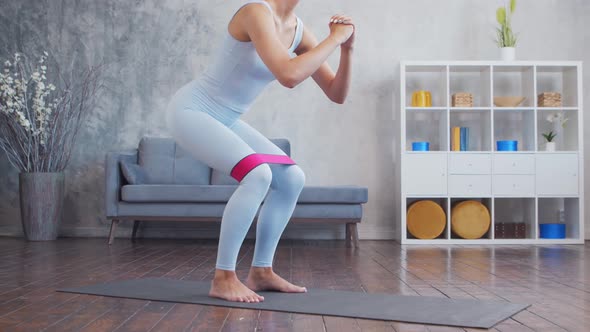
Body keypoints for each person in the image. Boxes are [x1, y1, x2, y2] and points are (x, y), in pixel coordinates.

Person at [165, 0, 354, 303]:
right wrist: (334, 39)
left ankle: (261, 272)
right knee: (257, 175)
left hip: (226, 119)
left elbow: (336, 93)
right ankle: (223, 277)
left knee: (291, 178)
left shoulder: (299, 32)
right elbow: (288, 75)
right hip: (192, 112)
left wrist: (347, 49)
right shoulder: (255, 12)